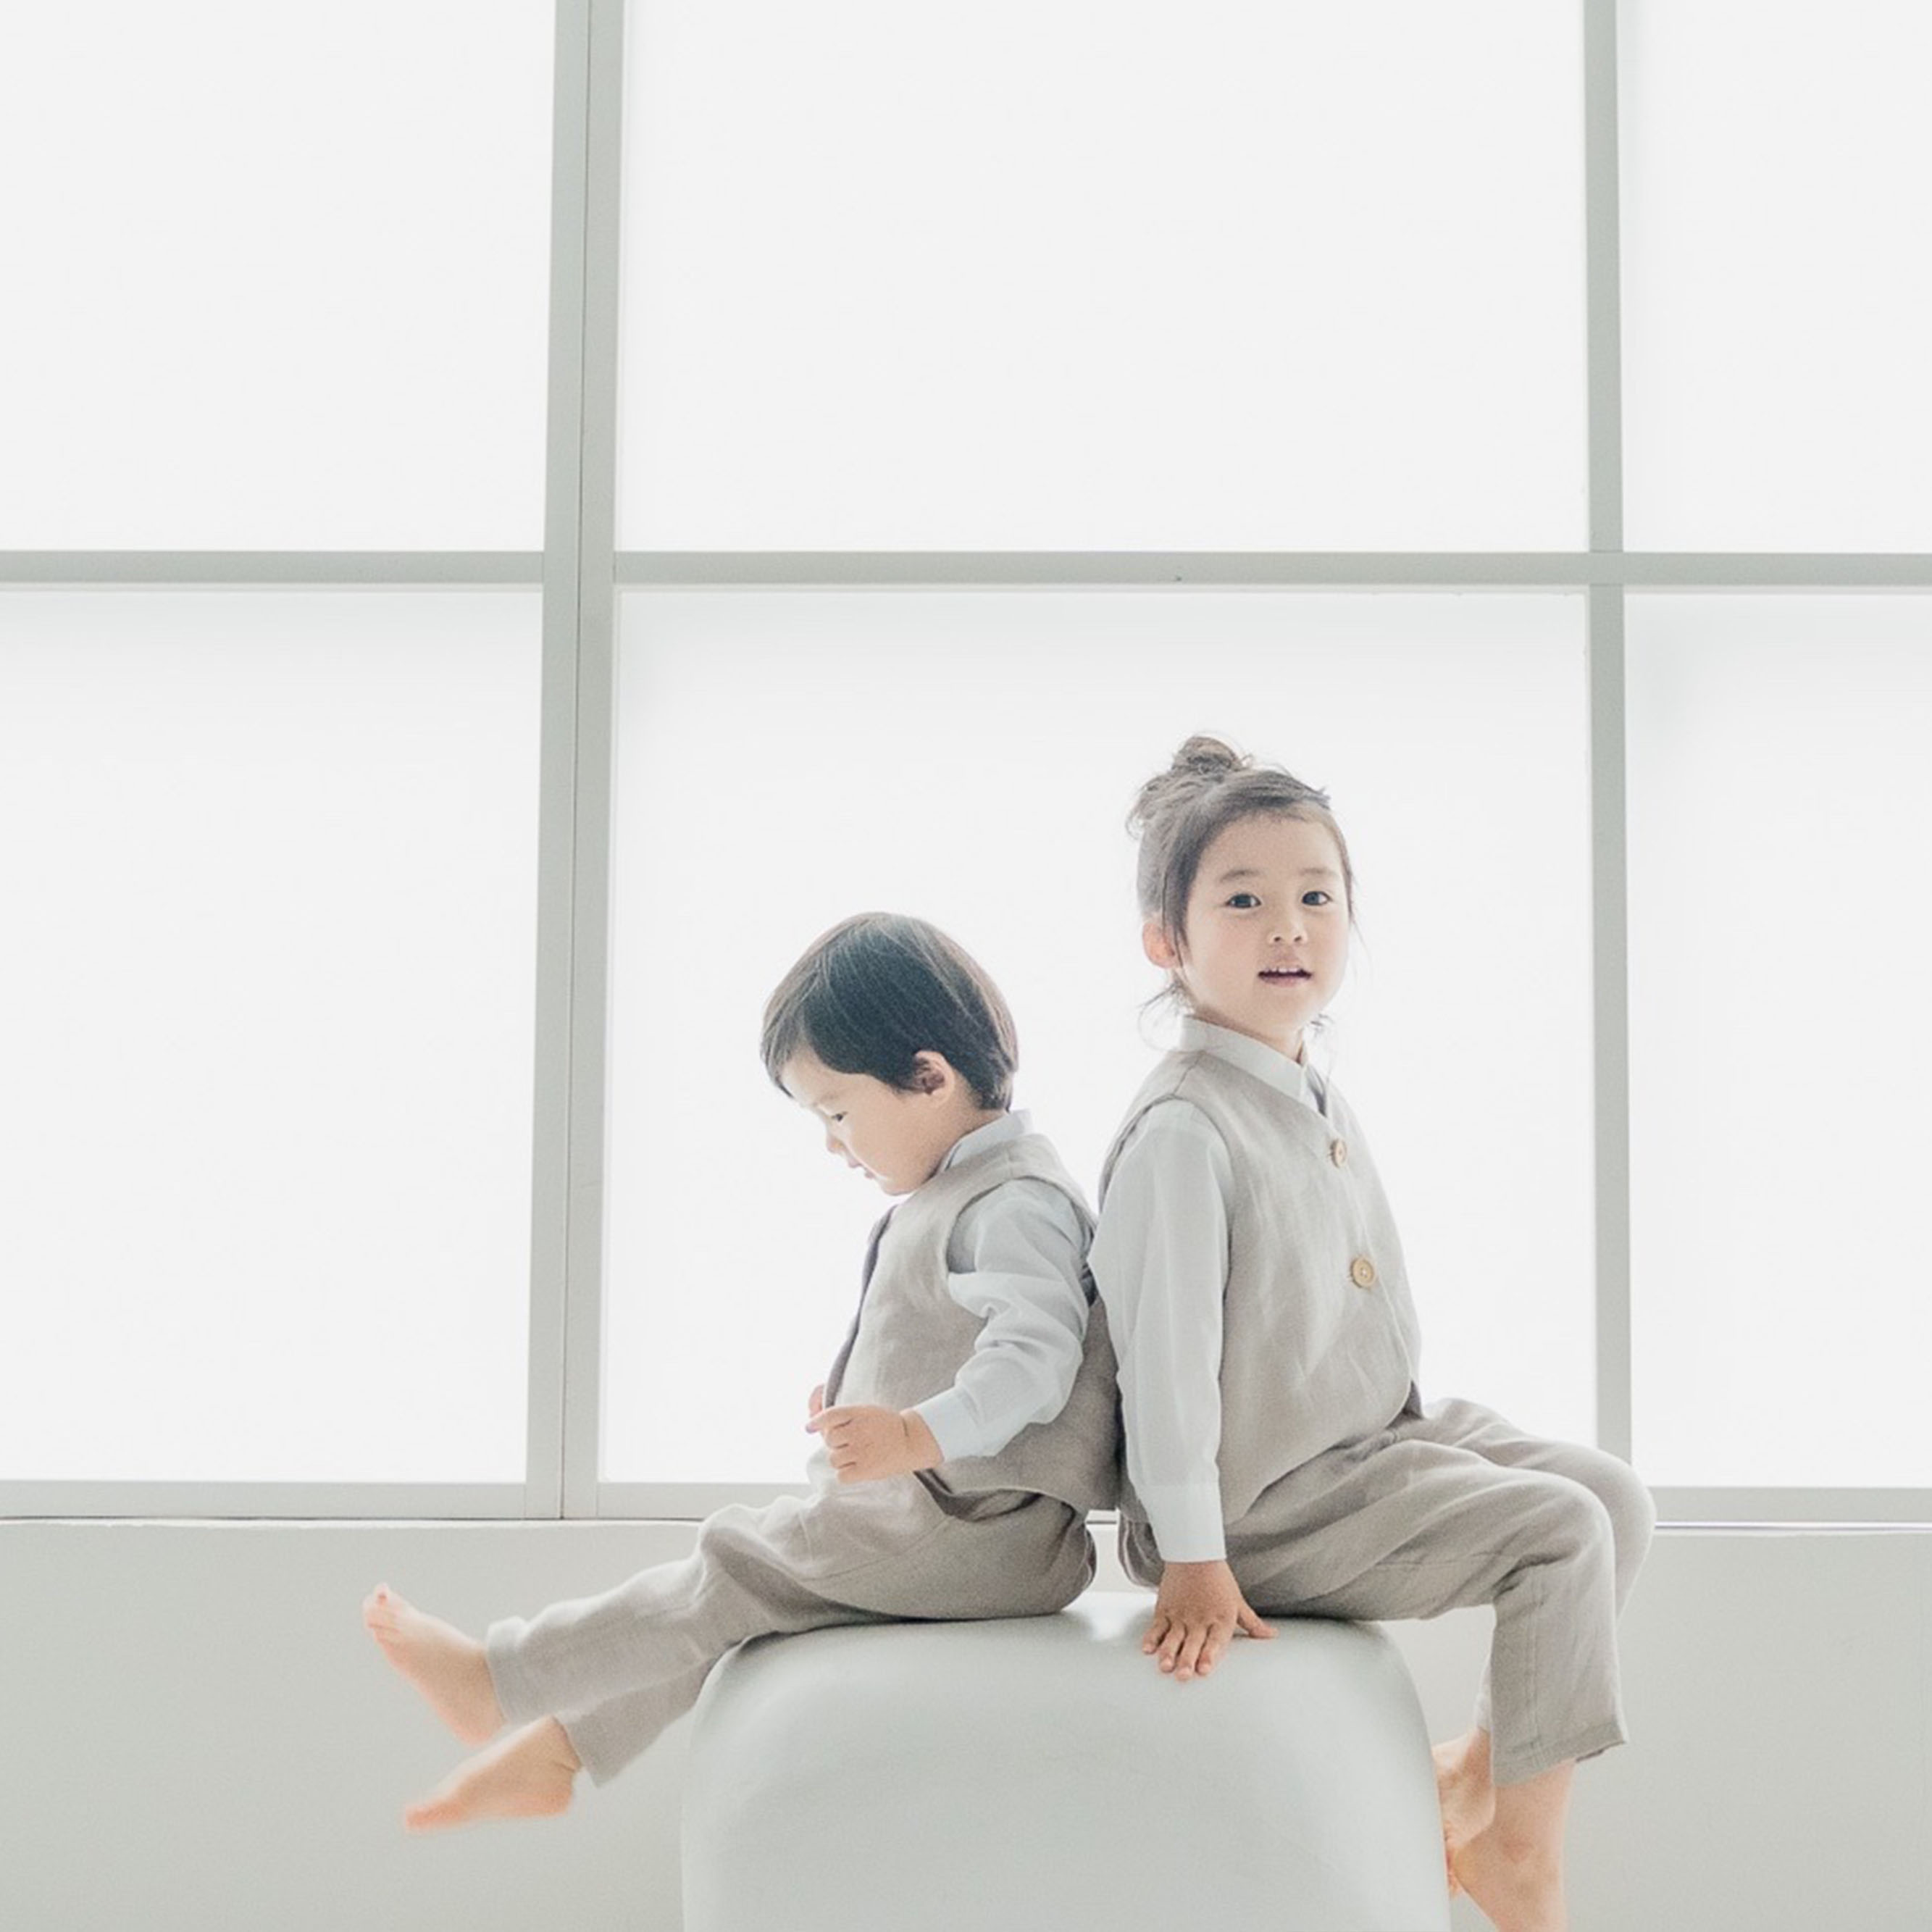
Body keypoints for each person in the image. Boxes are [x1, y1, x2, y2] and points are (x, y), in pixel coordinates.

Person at [364, 911, 1118, 1831]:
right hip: (958, 1524)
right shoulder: (963, 1192)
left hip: (983, 1537)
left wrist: (913, 1432)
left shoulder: (1015, 1204)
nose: (833, 1145)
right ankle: (561, 1752)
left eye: (837, 1113)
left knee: (734, 1567)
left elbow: (1034, 1365)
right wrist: (865, 1397)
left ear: (930, 1077)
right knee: (747, 1600)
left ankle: (500, 1678)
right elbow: (950, 1340)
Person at [1090, 735, 1652, 1932]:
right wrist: (1192, 1554)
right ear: (1165, 942)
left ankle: (1474, 1777)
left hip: (1360, 1443)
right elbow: (1164, 1362)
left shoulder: (1304, 1086)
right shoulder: (1185, 1128)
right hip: (1255, 1501)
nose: (1285, 927)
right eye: (1241, 900)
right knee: (1558, 1532)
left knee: (1610, 1494)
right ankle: (1519, 1858)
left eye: (1315, 896)